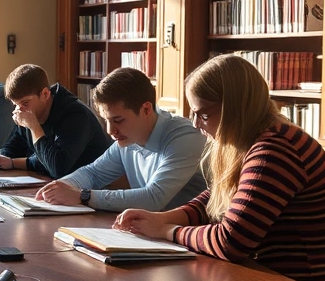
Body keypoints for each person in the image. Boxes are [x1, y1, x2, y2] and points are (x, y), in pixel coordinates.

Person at [113, 54, 325, 281]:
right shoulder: (252, 140)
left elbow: (231, 242)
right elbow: (216, 196)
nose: (196, 124)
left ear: (235, 107)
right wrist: (172, 215)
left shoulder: (275, 150)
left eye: (204, 114)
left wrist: (166, 230)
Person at [35, 67, 206, 212]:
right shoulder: (127, 139)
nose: (110, 131)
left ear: (146, 109)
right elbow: (92, 173)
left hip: (191, 239)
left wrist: (83, 196)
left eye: (118, 120)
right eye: (106, 121)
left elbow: (154, 198)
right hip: (154, 233)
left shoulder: (185, 136)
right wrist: (59, 187)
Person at [0, 64, 111, 179]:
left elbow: (57, 167)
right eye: (15, 104)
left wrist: (34, 127)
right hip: (58, 185)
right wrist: (0, 159)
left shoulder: (76, 115)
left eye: (25, 103)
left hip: (92, 190)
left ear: (45, 94)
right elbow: (14, 147)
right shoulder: (28, 110)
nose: (20, 110)